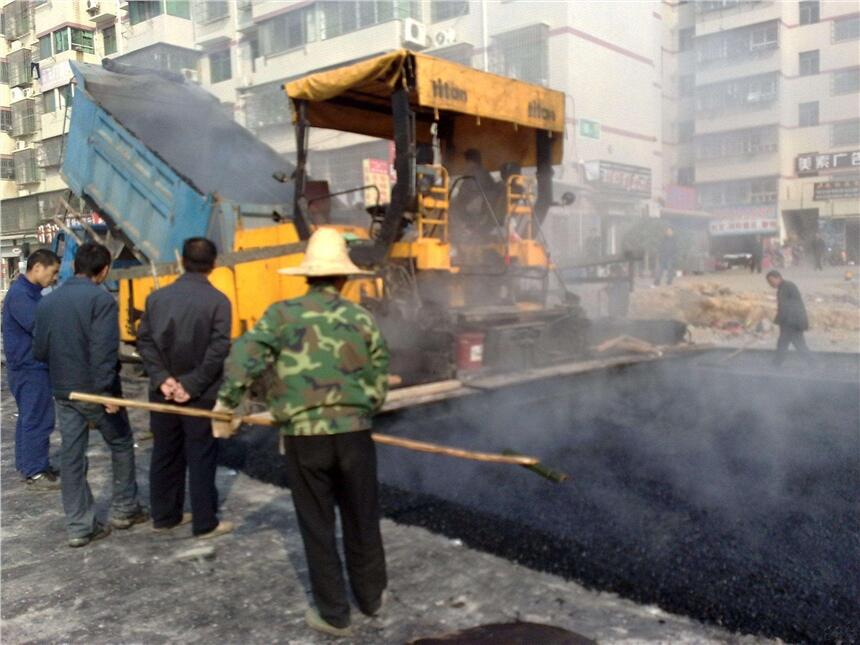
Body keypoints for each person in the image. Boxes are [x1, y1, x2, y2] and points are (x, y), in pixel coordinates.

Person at [214, 228, 389, 638]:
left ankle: (334, 613)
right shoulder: (361, 318)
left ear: (307, 276)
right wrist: (366, 408)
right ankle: (371, 596)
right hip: (354, 434)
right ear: (343, 278)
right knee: (362, 516)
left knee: (317, 523)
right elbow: (379, 379)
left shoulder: (280, 315)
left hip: (303, 436)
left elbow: (244, 356)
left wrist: (227, 403)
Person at [33, 242, 147, 547]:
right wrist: (107, 391)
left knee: (72, 456)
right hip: (95, 392)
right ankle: (124, 509)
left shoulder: (47, 303)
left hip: (64, 390)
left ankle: (79, 526)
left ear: (73, 267)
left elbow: (39, 350)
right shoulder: (101, 300)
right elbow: (104, 352)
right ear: (105, 270)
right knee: (121, 443)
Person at [136, 238, 233, 539]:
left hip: (161, 392)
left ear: (182, 262)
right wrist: (190, 385)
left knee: (164, 452)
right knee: (201, 455)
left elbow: (145, 342)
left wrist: (163, 377)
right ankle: (205, 521)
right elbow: (218, 351)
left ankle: (164, 516)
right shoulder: (219, 301)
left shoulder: (157, 298)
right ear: (214, 264)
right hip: (201, 394)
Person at [1, 249, 61, 489]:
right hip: (29, 367)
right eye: (53, 272)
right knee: (37, 418)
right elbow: (41, 329)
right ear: (37, 268)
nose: (54, 277)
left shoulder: (31, 293)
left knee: (30, 417)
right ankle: (35, 470)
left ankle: (30, 465)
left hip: (30, 366)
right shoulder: (21, 295)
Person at [766, 270, 812, 366]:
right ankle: (776, 364)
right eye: (769, 282)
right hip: (791, 322)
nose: (770, 284)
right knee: (788, 344)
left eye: (771, 281)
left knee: (792, 345)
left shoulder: (786, 287)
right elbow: (785, 308)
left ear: (778, 277)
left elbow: (785, 307)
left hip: (793, 322)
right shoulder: (784, 287)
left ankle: (814, 364)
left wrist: (775, 323)